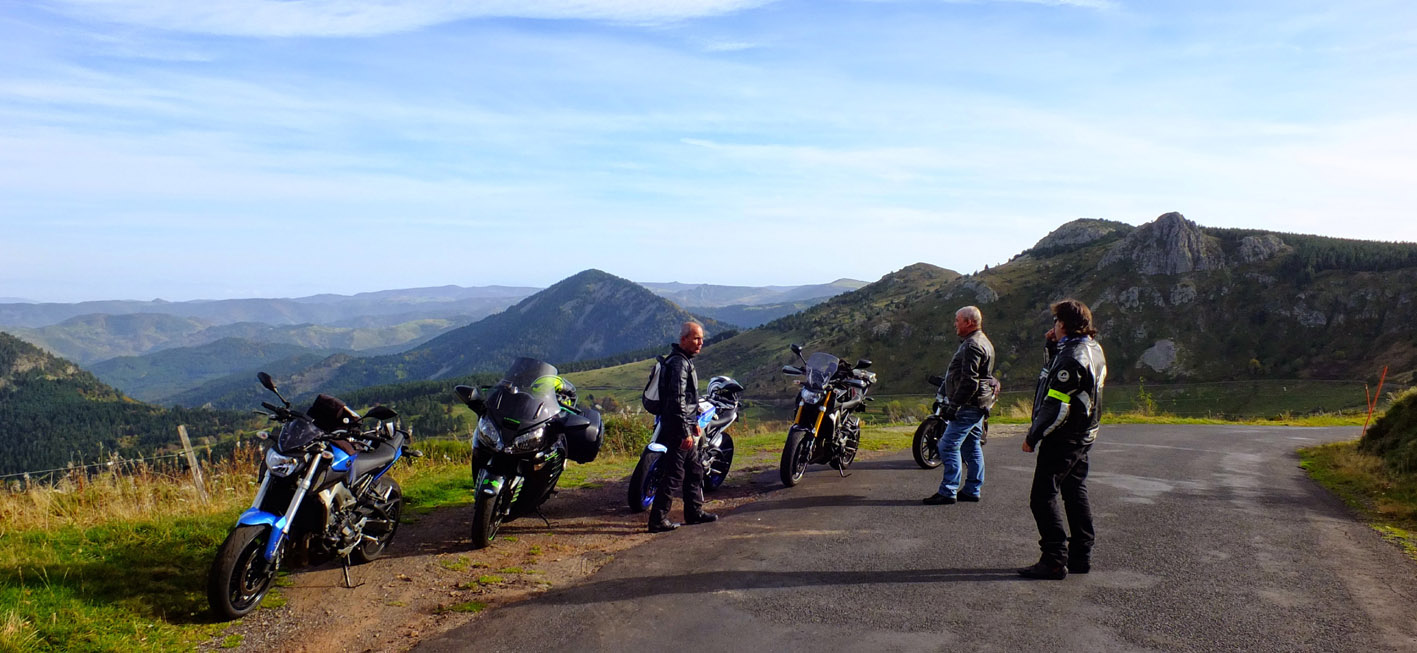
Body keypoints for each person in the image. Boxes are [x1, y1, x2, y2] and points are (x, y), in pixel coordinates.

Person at [1018, 299, 1107, 580]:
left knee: (1042, 497)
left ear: (1064, 324)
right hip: (1085, 434)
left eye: (1056, 322)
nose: (1053, 327)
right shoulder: (1093, 349)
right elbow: (1060, 379)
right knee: (1074, 491)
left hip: (1064, 437)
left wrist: (1033, 436)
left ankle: (1054, 559)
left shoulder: (1070, 357)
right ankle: (1082, 556)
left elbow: (1057, 404)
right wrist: (1053, 347)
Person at [647, 321, 718, 532]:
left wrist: (694, 423)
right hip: (677, 429)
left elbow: (688, 400)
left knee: (694, 471)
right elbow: (676, 400)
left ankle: (694, 513)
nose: (700, 343)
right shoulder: (679, 364)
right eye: (696, 338)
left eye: (702, 339)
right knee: (673, 475)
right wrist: (684, 431)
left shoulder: (684, 361)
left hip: (684, 425)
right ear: (683, 339)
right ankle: (657, 520)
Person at [922, 306, 996, 505]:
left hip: (969, 405)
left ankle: (948, 490)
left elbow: (969, 381)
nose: (955, 323)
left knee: (947, 445)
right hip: (979, 404)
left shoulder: (972, 345)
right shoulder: (983, 341)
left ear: (969, 322)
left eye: (957, 320)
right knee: (971, 446)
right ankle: (972, 489)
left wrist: (954, 406)